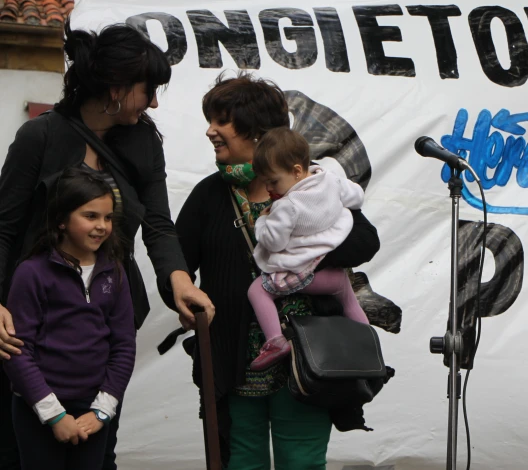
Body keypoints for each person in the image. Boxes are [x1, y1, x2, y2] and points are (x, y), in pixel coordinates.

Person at [0, 21, 214, 470]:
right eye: (148, 89)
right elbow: (4, 228)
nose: (154, 101)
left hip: (103, 311)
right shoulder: (39, 137)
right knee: (21, 450)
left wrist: (179, 282)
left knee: (98, 450)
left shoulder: (144, 141)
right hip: (30, 324)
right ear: (116, 88)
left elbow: (157, 224)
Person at [160, 74, 380, 469]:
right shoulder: (210, 195)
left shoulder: (312, 184)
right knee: (243, 458)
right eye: (210, 120)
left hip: (308, 361)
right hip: (235, 360)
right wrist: (182, 296)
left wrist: (303, 257)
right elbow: (173, 260)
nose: (210, 131)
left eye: (221, 121)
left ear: (257, 130)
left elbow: (366, 241)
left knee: (301, 459)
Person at [3, 168, 135, 470]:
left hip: (93, 410)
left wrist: (102, 411)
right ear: (61, 220)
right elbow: (17, 351)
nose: (102, 226)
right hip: (37, 410)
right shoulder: (31, 273)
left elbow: (124, 346)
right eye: (90, 216)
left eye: (108, 217)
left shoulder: (114, 273)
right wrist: (55, 415)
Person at [247, 127, 369, 370]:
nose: (270, 188)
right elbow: (356, 197)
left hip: (307, 272)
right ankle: (368, 343)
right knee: (350, 302)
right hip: (334, 273)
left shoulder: (287, 206)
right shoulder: (330, 179)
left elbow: (274, 242)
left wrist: (262, 221)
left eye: (273, 181)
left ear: (296, 171)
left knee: (257, 291)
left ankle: (275, 340)